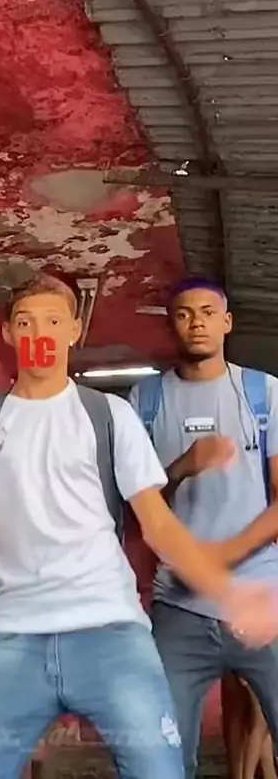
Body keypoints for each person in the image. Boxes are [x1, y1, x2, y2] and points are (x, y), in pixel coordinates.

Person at [0, 272, 278, 779]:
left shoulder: (109, 414)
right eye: (25, 322)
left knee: (160, 771)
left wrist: (229, 592)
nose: (39, 333)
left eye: (52, 321)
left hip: (111, 631)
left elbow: (159, 526)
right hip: (14, 637)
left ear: (74, 331)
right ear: (8, 334)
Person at [130, 275, 278, 779]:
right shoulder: (145, 399)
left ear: (227, 322)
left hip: (261, 599)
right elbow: (138, 504)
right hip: (179, 609)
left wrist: (223, 556)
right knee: (163, 757)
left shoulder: (263, 392)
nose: (197, 323)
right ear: (171, 325)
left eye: (208, 313)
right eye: (184, 314)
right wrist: (181, 467)